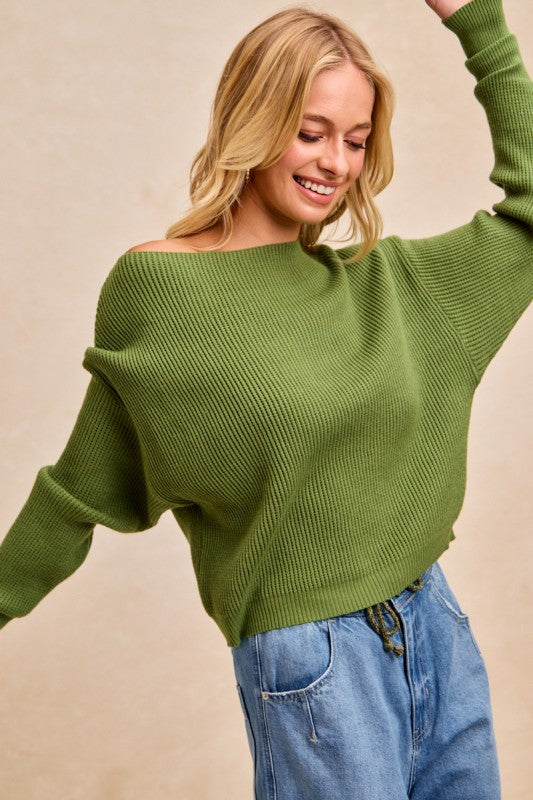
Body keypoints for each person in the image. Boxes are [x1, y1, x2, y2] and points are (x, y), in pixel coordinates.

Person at [0, 0, 531, 797]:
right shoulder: (162, 290)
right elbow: (82, 488)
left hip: (435, 624)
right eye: (310, 132)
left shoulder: (394, 291)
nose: (336, 162)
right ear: (254, 119)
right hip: (314, 662)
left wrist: (477, 22)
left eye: (355, 140)